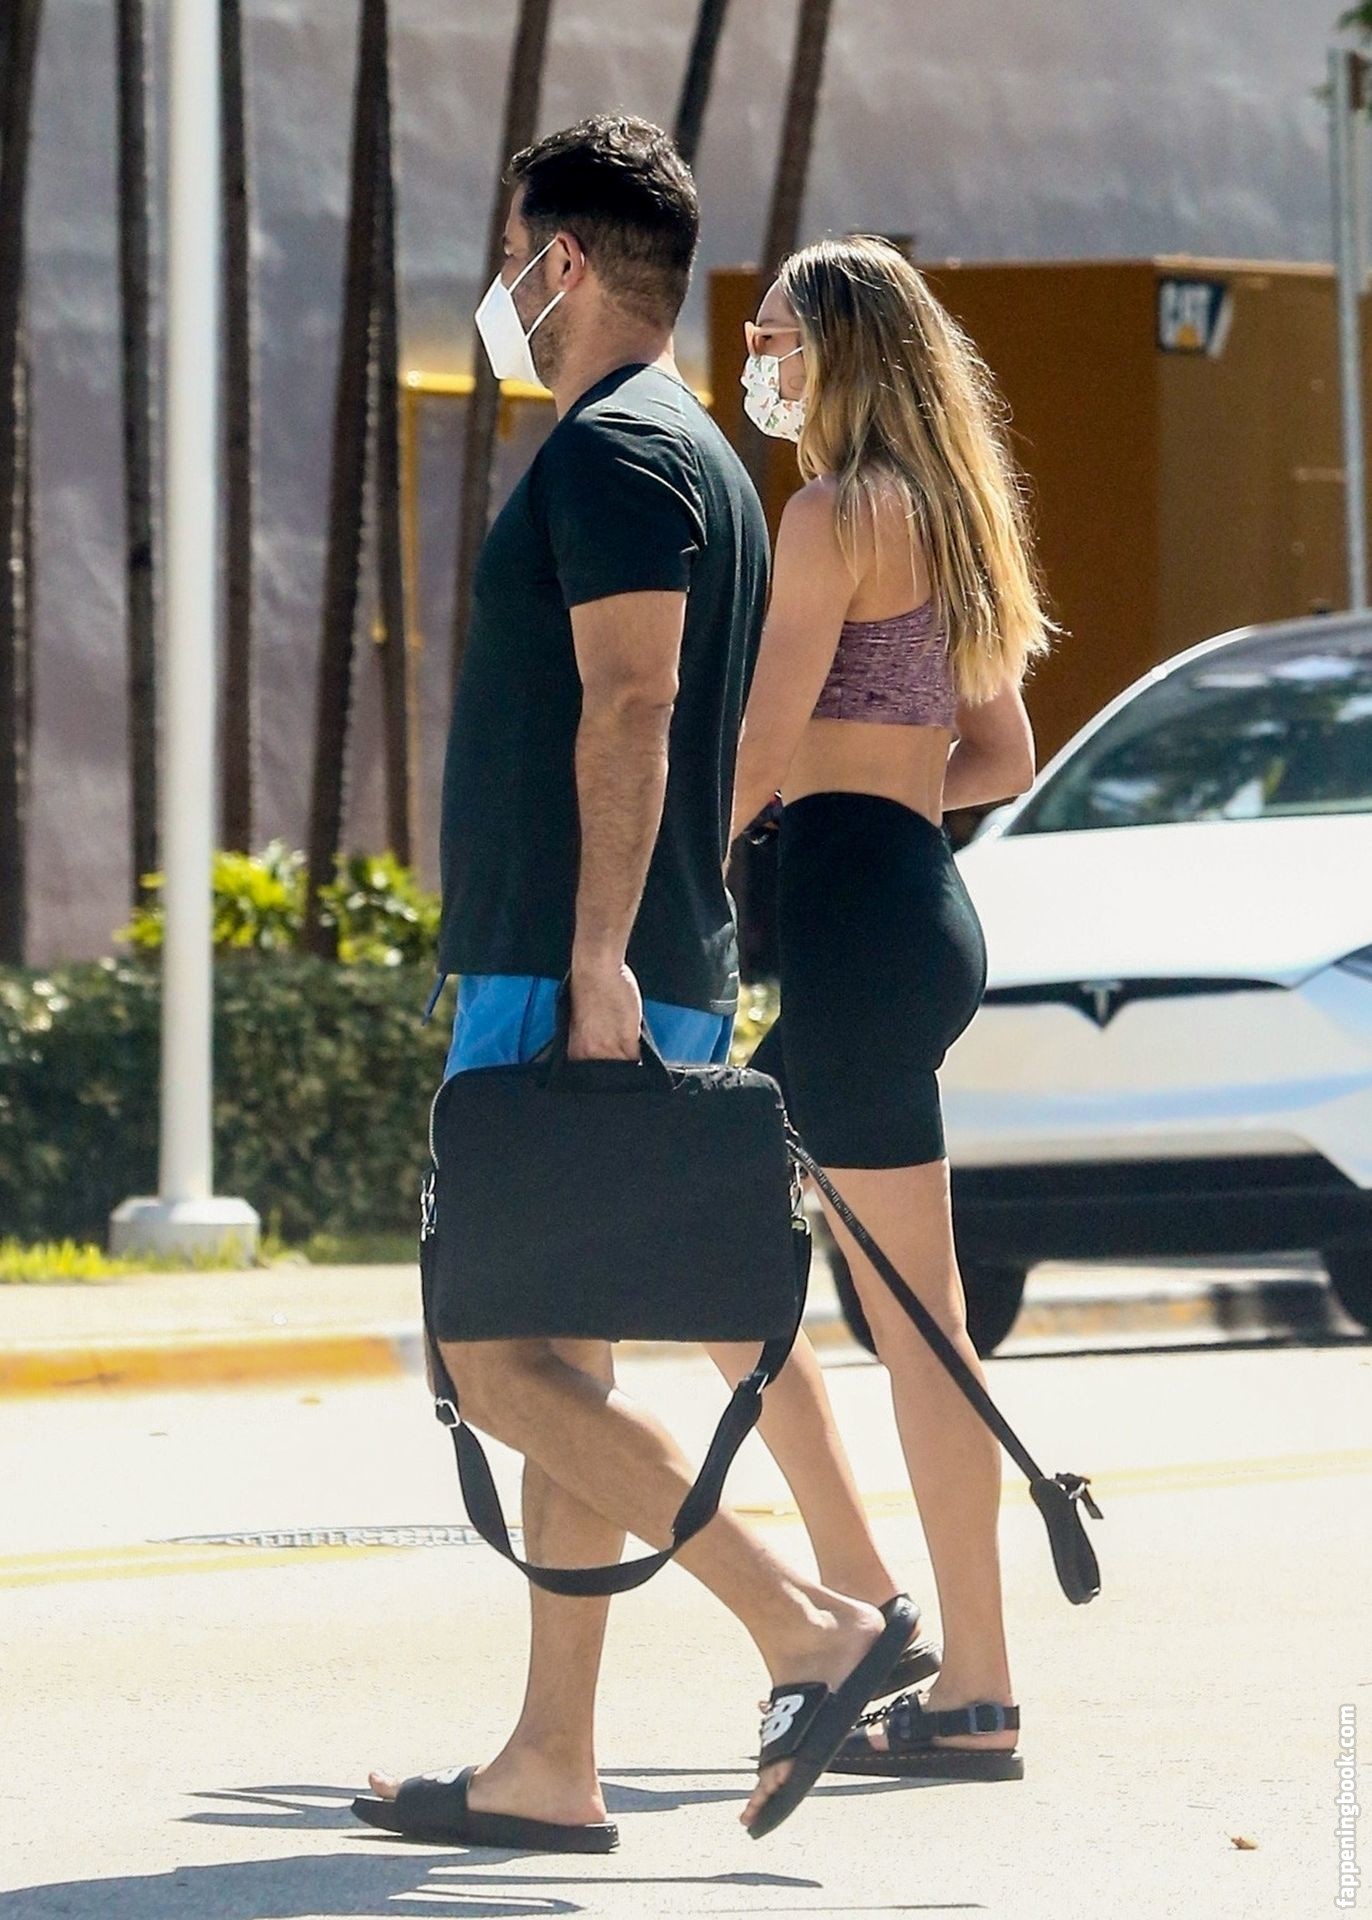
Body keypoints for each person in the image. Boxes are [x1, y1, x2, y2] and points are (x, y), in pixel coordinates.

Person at [352, 120, 915, 1853]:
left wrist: (591, 953)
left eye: (515, 251)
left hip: (568, 964)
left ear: (566, 263)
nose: (502, 286)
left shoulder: (610, 450)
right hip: (626, 956)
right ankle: (551, 1763)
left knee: (488, 1355)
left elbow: (636, 698)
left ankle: (808, 1628)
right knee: (561, 1359)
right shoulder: (700, 456)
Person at [732, 234, 1051, 1794]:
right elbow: (1005, 757)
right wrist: (885, 783)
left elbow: (757, 739)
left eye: (776, 337)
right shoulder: (944, 517)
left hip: (859, 929)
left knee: (913, 1321)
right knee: (753, 1244)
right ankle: (878, 1614)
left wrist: (667, 880)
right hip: (914, 905)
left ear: (843, 352)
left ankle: (952, 1675)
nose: (759, 360)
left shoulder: (833, 514)